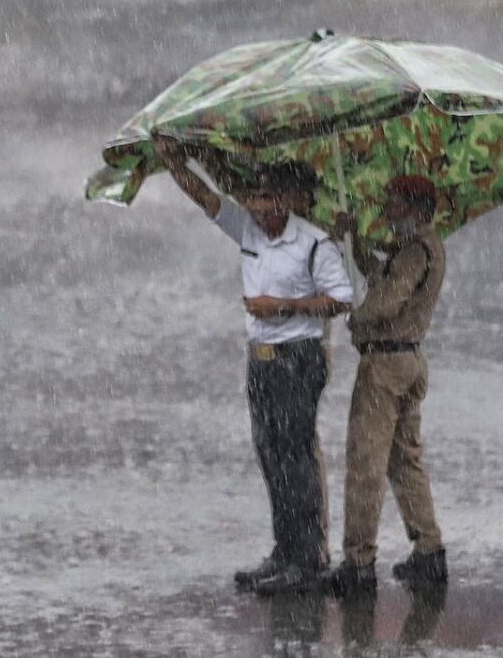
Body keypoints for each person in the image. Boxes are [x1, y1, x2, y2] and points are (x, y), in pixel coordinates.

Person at [152, 138, 353, 595]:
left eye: (267, 199)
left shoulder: (313, 242)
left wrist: (280, 306)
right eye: (255, 198)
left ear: (287, 199)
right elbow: (204, 198)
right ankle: (284, 551)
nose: (259, 207)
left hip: (297, 360)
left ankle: (308, 557)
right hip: (260, 362)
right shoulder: (247, 229)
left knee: (295, 457)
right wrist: (172, 160)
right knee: (269, 455)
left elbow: (340, 299)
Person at [325, 175, 449, 596]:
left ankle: (358, 563)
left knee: (365, 465)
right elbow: (383, 274)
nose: (386, 209)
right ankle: (429, 551)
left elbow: (387, 297)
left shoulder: (416, 250)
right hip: (409, 361)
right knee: (403, 460)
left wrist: (355, 319)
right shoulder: (424, 248)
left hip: (385, 366)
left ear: (415, 208)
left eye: (393, 203)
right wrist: (355, 243)